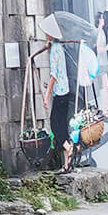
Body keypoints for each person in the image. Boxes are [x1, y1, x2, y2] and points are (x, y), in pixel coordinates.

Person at [43, 37, 73, 170]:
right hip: (65, 91)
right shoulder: (58, 46)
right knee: (62, 127)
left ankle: (68, 148)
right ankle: (67, 164)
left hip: (59, 92)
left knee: (55, 125)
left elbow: (54, 76)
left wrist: (46, 96)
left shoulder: (55, 49)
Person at [95, 13, 108, 90]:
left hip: (103, 61)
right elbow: (97, 48)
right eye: (102, 18)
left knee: (105, 86)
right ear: (99, 20)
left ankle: (105, 101)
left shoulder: (102, 32)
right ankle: (104, 102)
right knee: (104, 86)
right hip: (100, 62)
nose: (103, 20)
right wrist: (106, 48)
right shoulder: (98, 32)